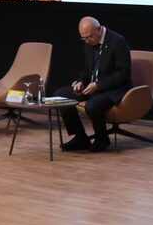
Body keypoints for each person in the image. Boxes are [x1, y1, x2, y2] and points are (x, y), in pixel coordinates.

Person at [54, 17, 132, 153]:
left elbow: (123, 74)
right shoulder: (89, 43)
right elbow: (87, 69)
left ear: (99, 29)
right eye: (83, 38)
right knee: (61, 96)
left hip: (113, 89)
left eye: (89, 37)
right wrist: (80, 82)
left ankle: (102, 139)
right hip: (93, 87)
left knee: (93, 105)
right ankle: (80, 138)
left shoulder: (118, 42)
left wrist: (98, 85)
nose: (87, 41)